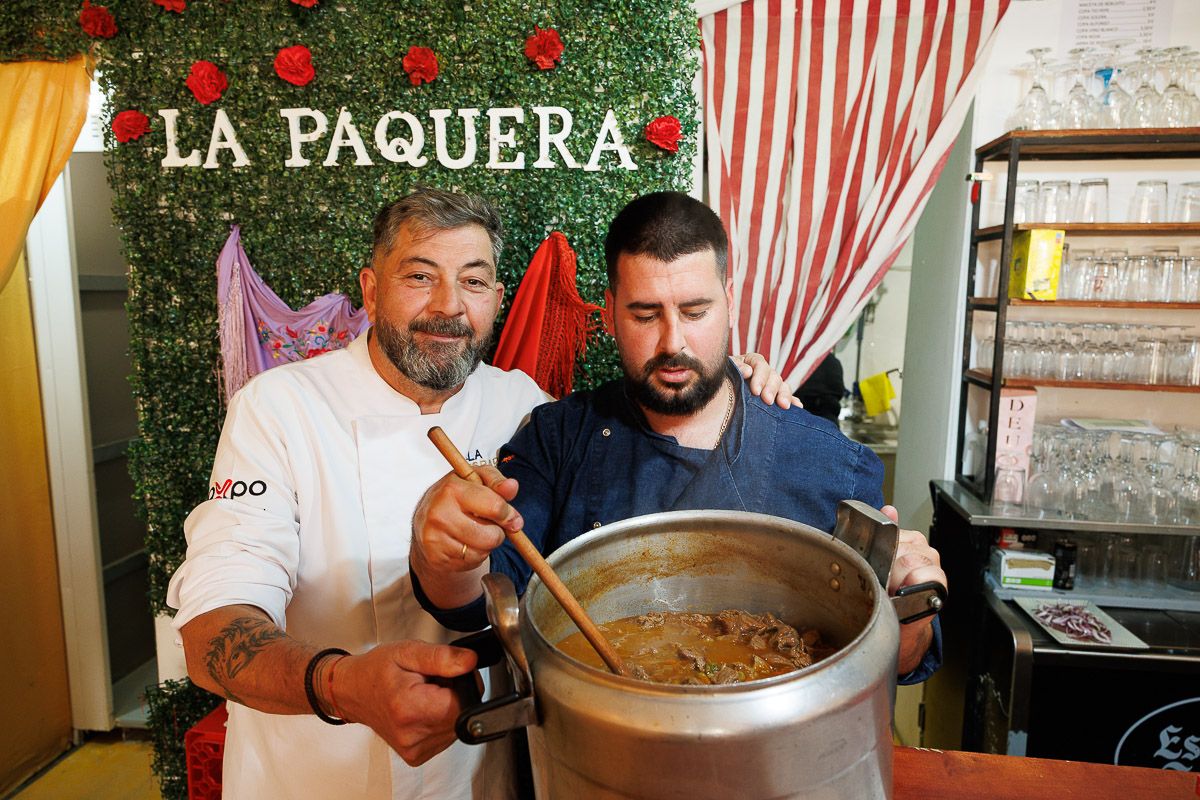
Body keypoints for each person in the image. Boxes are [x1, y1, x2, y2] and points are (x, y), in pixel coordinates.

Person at [167, 187, 798, 799]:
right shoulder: (280, 410)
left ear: (496, 297)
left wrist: (735, 385)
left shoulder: (524, 406)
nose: (449, 307)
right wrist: (340, 684)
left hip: (480, 779)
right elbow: (212, 629)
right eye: (419, 277)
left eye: (472, 282)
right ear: (369, 288)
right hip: (315, 778)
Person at [410, 191, 945, 683]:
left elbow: (890, 665)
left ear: (729, 299)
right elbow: (482, 599)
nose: (673, 343)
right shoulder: (558, 437)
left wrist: (914, 604)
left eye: (696, 312)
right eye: (645, 314)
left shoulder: (832, 463)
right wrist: (444, 558)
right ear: (611, 311)